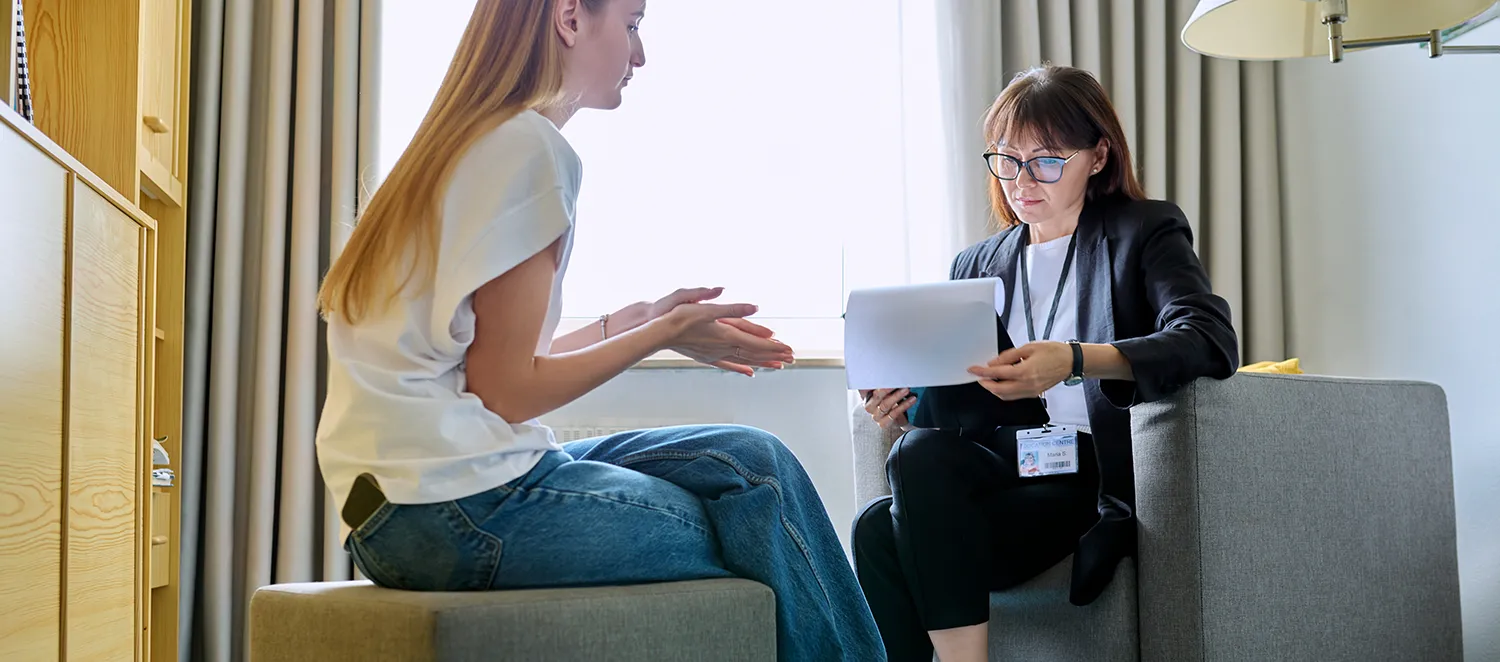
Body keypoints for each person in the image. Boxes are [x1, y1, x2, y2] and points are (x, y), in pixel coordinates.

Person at [313, 2, 885, 660]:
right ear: (568, 18)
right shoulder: (531, 149)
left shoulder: (467, 143)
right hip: (457, 510)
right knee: (764, 520)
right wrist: (663, 332)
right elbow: (508, 390)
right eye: (634, 23)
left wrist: (638, 319)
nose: (639, 55)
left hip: (401, 505)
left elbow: (483, 365)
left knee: (756, 465)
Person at [851, 64, 1239, 662]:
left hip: (1086, 480)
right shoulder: (975, 264)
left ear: (1098, 156)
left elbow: (1208, 338)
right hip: (1005, 466)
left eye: (1047, 159)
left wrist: (1075, 361)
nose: (1022, 180)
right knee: (884, 510)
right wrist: (904, 409)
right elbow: (960, 406)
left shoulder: (1145, 231)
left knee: (887, 522)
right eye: (1007, 160)